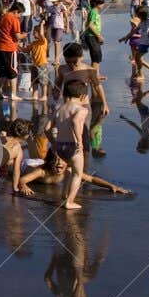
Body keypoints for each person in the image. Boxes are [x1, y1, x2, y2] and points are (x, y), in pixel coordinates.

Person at [54, 81, 91, 211]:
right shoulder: (82, 109)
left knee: (69, 170)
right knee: (77, 174)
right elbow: (75, 121)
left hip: (60, 146)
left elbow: (48, 128)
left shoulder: (59, 109)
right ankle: (69, 202)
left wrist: (54, 141)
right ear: (82, 96)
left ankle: (64, 194)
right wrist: (79, 141)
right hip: (72, 145)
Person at [0, 0, 22, 103]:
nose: (20, 16)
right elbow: (17, 36)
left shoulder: (1, 17)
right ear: (16, 11)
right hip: (9, 48)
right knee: (13, 71)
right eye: (20, 14)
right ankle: (13, 94)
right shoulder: (14, 20)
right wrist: (24, 35)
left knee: (2, 71)